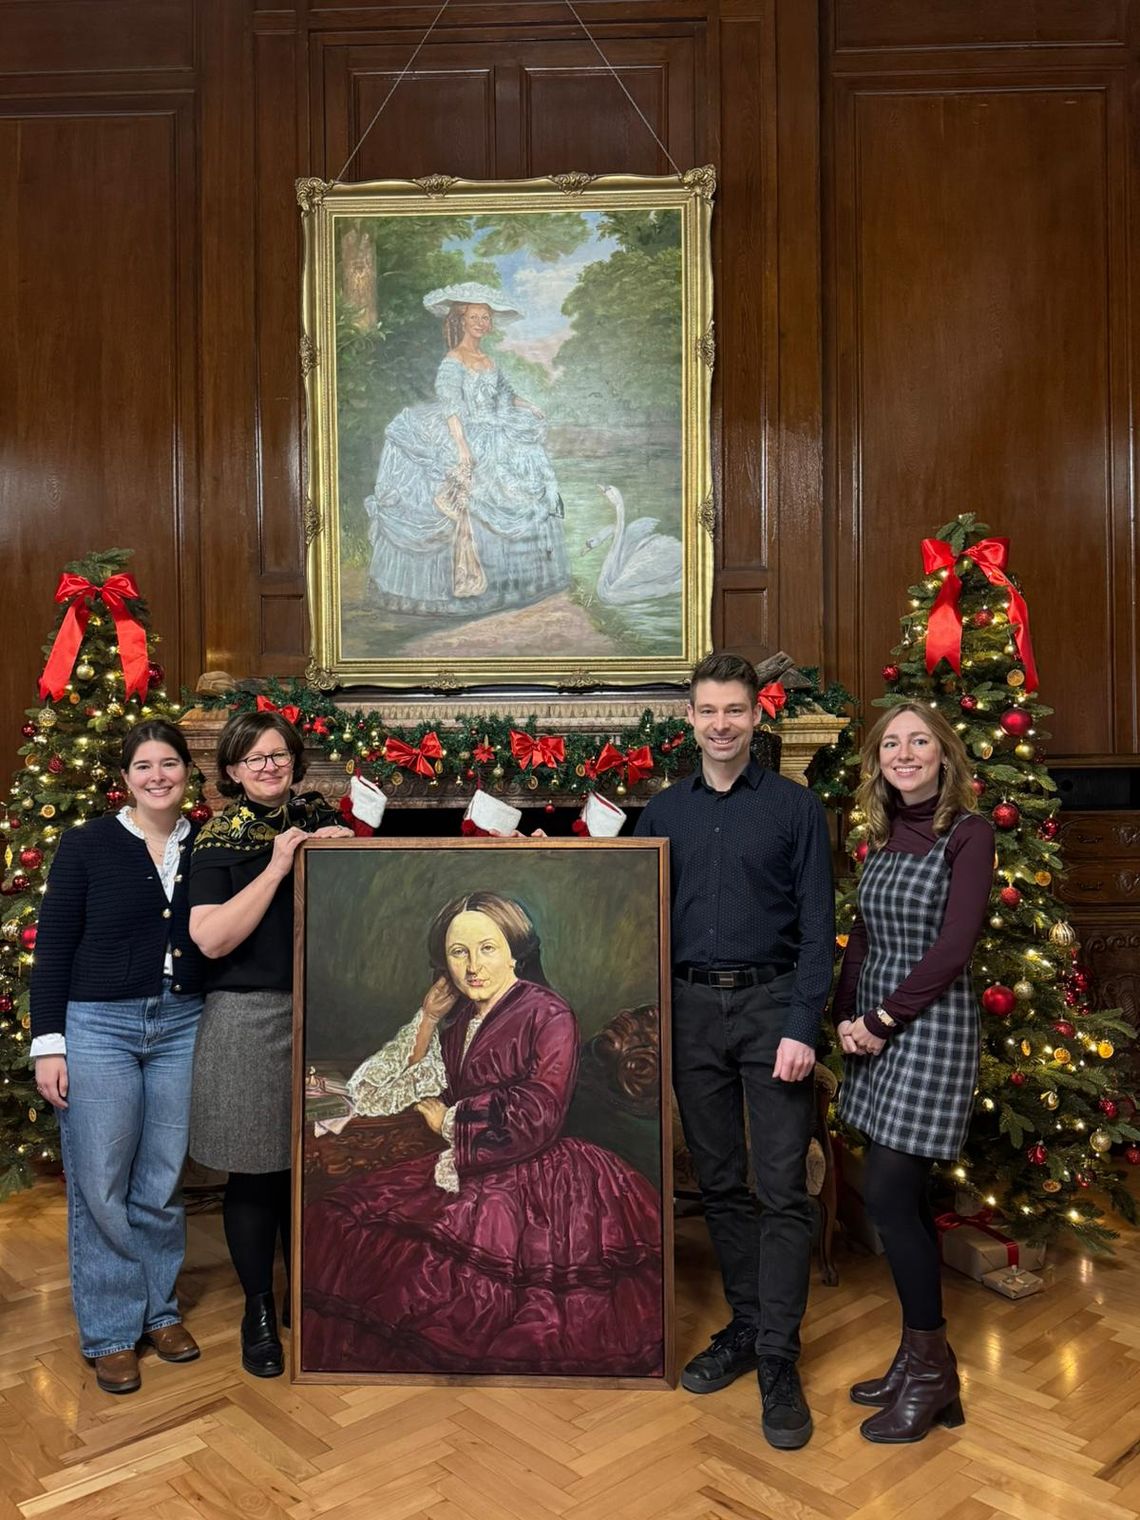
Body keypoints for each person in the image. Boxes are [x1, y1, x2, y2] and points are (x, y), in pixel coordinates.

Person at [301, 891, 664, 1377]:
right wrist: (428, 1018)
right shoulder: (457, 1021)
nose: (472, 966)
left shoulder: (549, 1013)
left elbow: (540, 1112)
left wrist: (450, 1120)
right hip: (472, 1163)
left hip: (542, 1174)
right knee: (334, 1218)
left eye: (487, 948)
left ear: (516, 950)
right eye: (458, 952)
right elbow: (372, 1090)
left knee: (461, 1294)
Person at [635, 652, 833, 1448]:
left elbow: (819, 930)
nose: (721, 724)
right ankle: (747, 1326)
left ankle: (781, 1358)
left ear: (758, 717)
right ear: (690, 719)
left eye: (735, 711)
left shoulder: (795, 809)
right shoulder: (661, 813)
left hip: (771, 1007)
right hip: (689, 1010)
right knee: (718, 1182)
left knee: (782, 1188)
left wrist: (802, 1025)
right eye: (707, 711)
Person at [29, 720, 206, 1395]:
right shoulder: (87, 845)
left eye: (170, 763)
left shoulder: (208, 844)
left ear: (188, 772)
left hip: (182, 1022)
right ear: (125, 777)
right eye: (144, 765)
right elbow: (52, 949)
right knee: (100, 1180)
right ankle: (109, 1330)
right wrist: (50, 1042)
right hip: (98, 1025)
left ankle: (159, 1312)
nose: (158, 775)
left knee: (161, 1180)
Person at [833, 703, 993, 1443]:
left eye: (918, 740)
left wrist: (883, 1021)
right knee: (904, 1202)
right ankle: (922, 1359)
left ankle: (930, 1371)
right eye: (891, 743)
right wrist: (841, 1018)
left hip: (928, 1029)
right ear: (879, 761)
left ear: (943, 754)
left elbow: (953, 949)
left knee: (893, 1195)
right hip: (872, 1029)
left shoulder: (969, 835)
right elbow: (863, 936)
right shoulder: (883, 838)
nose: (904, 753)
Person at [188, 709, 350, 1378]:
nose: (269, 766)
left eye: (279, 755)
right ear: (231, 771)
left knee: (318, 1166)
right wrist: (280, 864)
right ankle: (259, 1308)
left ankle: (307, 1297)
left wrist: (346, 856)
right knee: (254, 1172)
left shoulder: (318, 825)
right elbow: (212, 938)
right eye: (254, 758)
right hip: (247, 1019)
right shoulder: (215, 841)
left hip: (325, 1020)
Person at [364, 281, 570, 617]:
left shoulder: (488, 360)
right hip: (464, 431)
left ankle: (512, 586)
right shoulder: (452, 360)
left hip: (496, 429)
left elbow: (505, 395)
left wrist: (530, 405)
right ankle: (464, 587)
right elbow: (451, 407)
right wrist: (462, 448)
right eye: (475, 316)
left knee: (524, 474)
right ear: (461, 320)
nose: (482, 322)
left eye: (486, 317)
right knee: (471, 492)